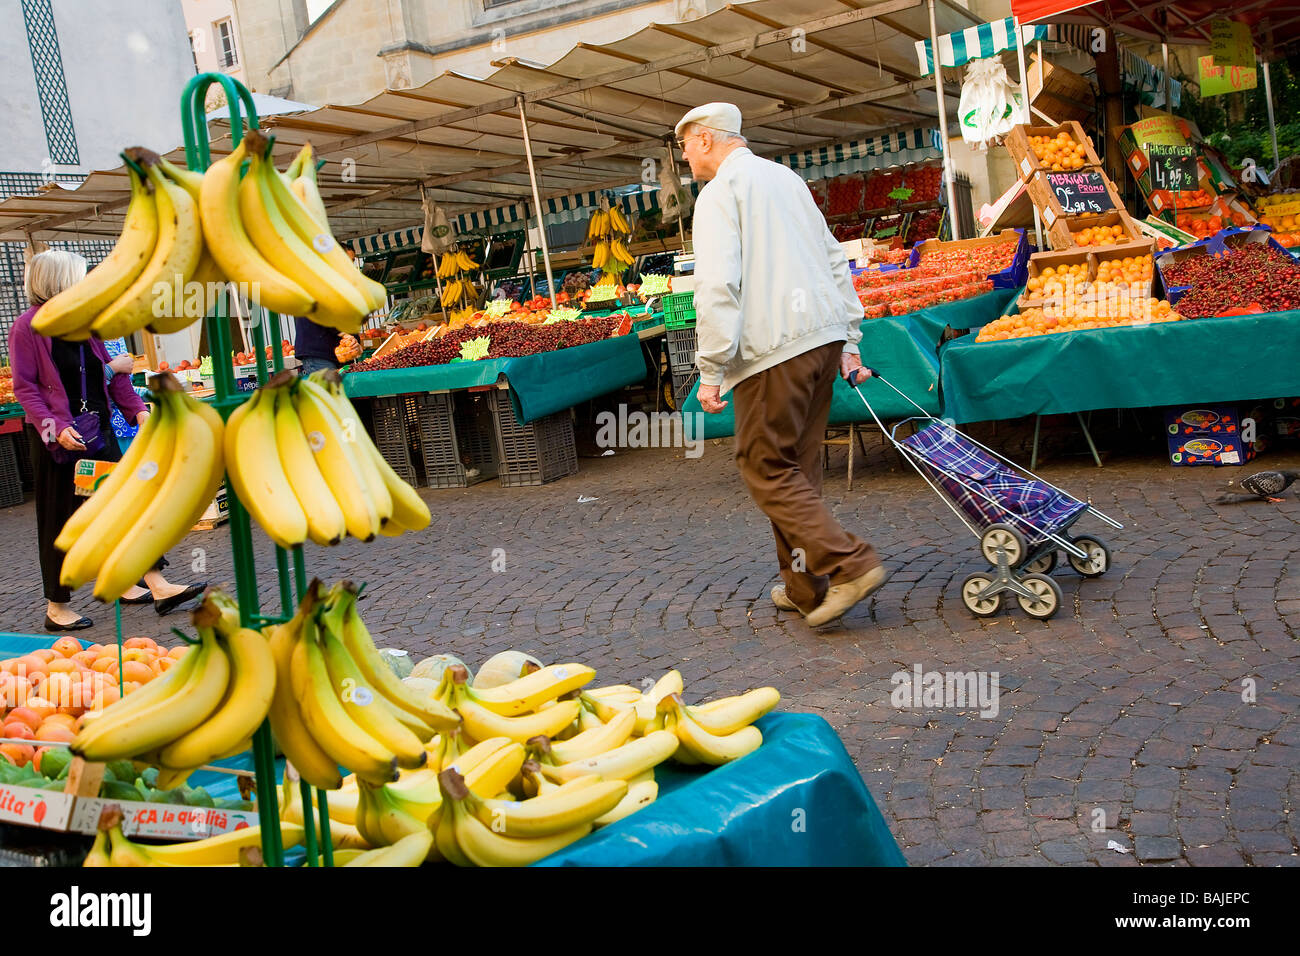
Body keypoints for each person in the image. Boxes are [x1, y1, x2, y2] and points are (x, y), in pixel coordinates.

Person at [680, 103, 888, 628]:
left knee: (765, 466)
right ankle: (804, 587)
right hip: (820, 337)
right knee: (796, 468)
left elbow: (716, 287)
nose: (683, 155)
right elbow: (834, 258)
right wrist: (849, 337)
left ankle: (850, 565)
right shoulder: (785, 179)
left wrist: (710, 368)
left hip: (773, 348)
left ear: (705, 140)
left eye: (684, 144)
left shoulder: (718, 194)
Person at [8, 250, 206, 631]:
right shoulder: (27, 327)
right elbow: (25, 387)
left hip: (97, 431)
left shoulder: (87, 321)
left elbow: (118, 379)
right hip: (58, 441)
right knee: (61, 521)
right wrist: (54, 427)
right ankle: (57, 607)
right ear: (58, 283)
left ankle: (154, 583)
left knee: (126, 506)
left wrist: (138, 410)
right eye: (80, 277)